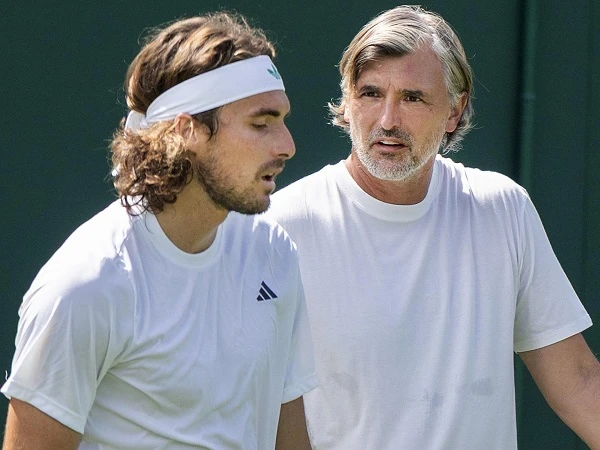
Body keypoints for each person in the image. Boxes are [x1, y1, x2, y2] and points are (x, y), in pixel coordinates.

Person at [266, 5, 600, 449]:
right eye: (370, 94)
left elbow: (579, 383)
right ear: (348, 101)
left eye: (412, 98)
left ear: (454, 111)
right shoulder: (281, 226)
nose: (387, 120)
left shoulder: (502, 209)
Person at [1, 12, 316, 450]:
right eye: (261, 124)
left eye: (281, 120)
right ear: (188, 130)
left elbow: (288, 433)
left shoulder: (273, 251)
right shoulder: (85, 286)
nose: (287, 145)